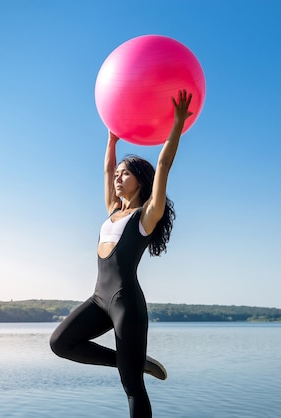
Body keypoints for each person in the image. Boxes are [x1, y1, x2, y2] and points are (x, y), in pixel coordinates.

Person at [50, 90, 193, 417]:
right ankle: (133, 361)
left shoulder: (146, 216)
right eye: (117, 176)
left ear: (140, 180)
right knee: (60, 343)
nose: (117, 178)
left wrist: (177, 124)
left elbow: (164, 163)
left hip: (126, 303)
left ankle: (132, 365)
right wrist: (111, 141)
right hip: (99, 299)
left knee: (131, 386)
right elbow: (106, 171)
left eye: (124, 174)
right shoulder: (112, 210)